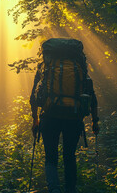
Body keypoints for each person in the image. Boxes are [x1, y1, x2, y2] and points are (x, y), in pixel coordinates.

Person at [30, 38, 99, 193]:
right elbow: (92, 97)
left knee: (51, 158)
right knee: (69, 156)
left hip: (50, 116)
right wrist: (95, 121)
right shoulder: (79, 68)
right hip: (73, 118)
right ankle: (70, 189)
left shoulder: (45, 68)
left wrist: (35, 120)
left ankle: (54, 189)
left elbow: (33, 98)